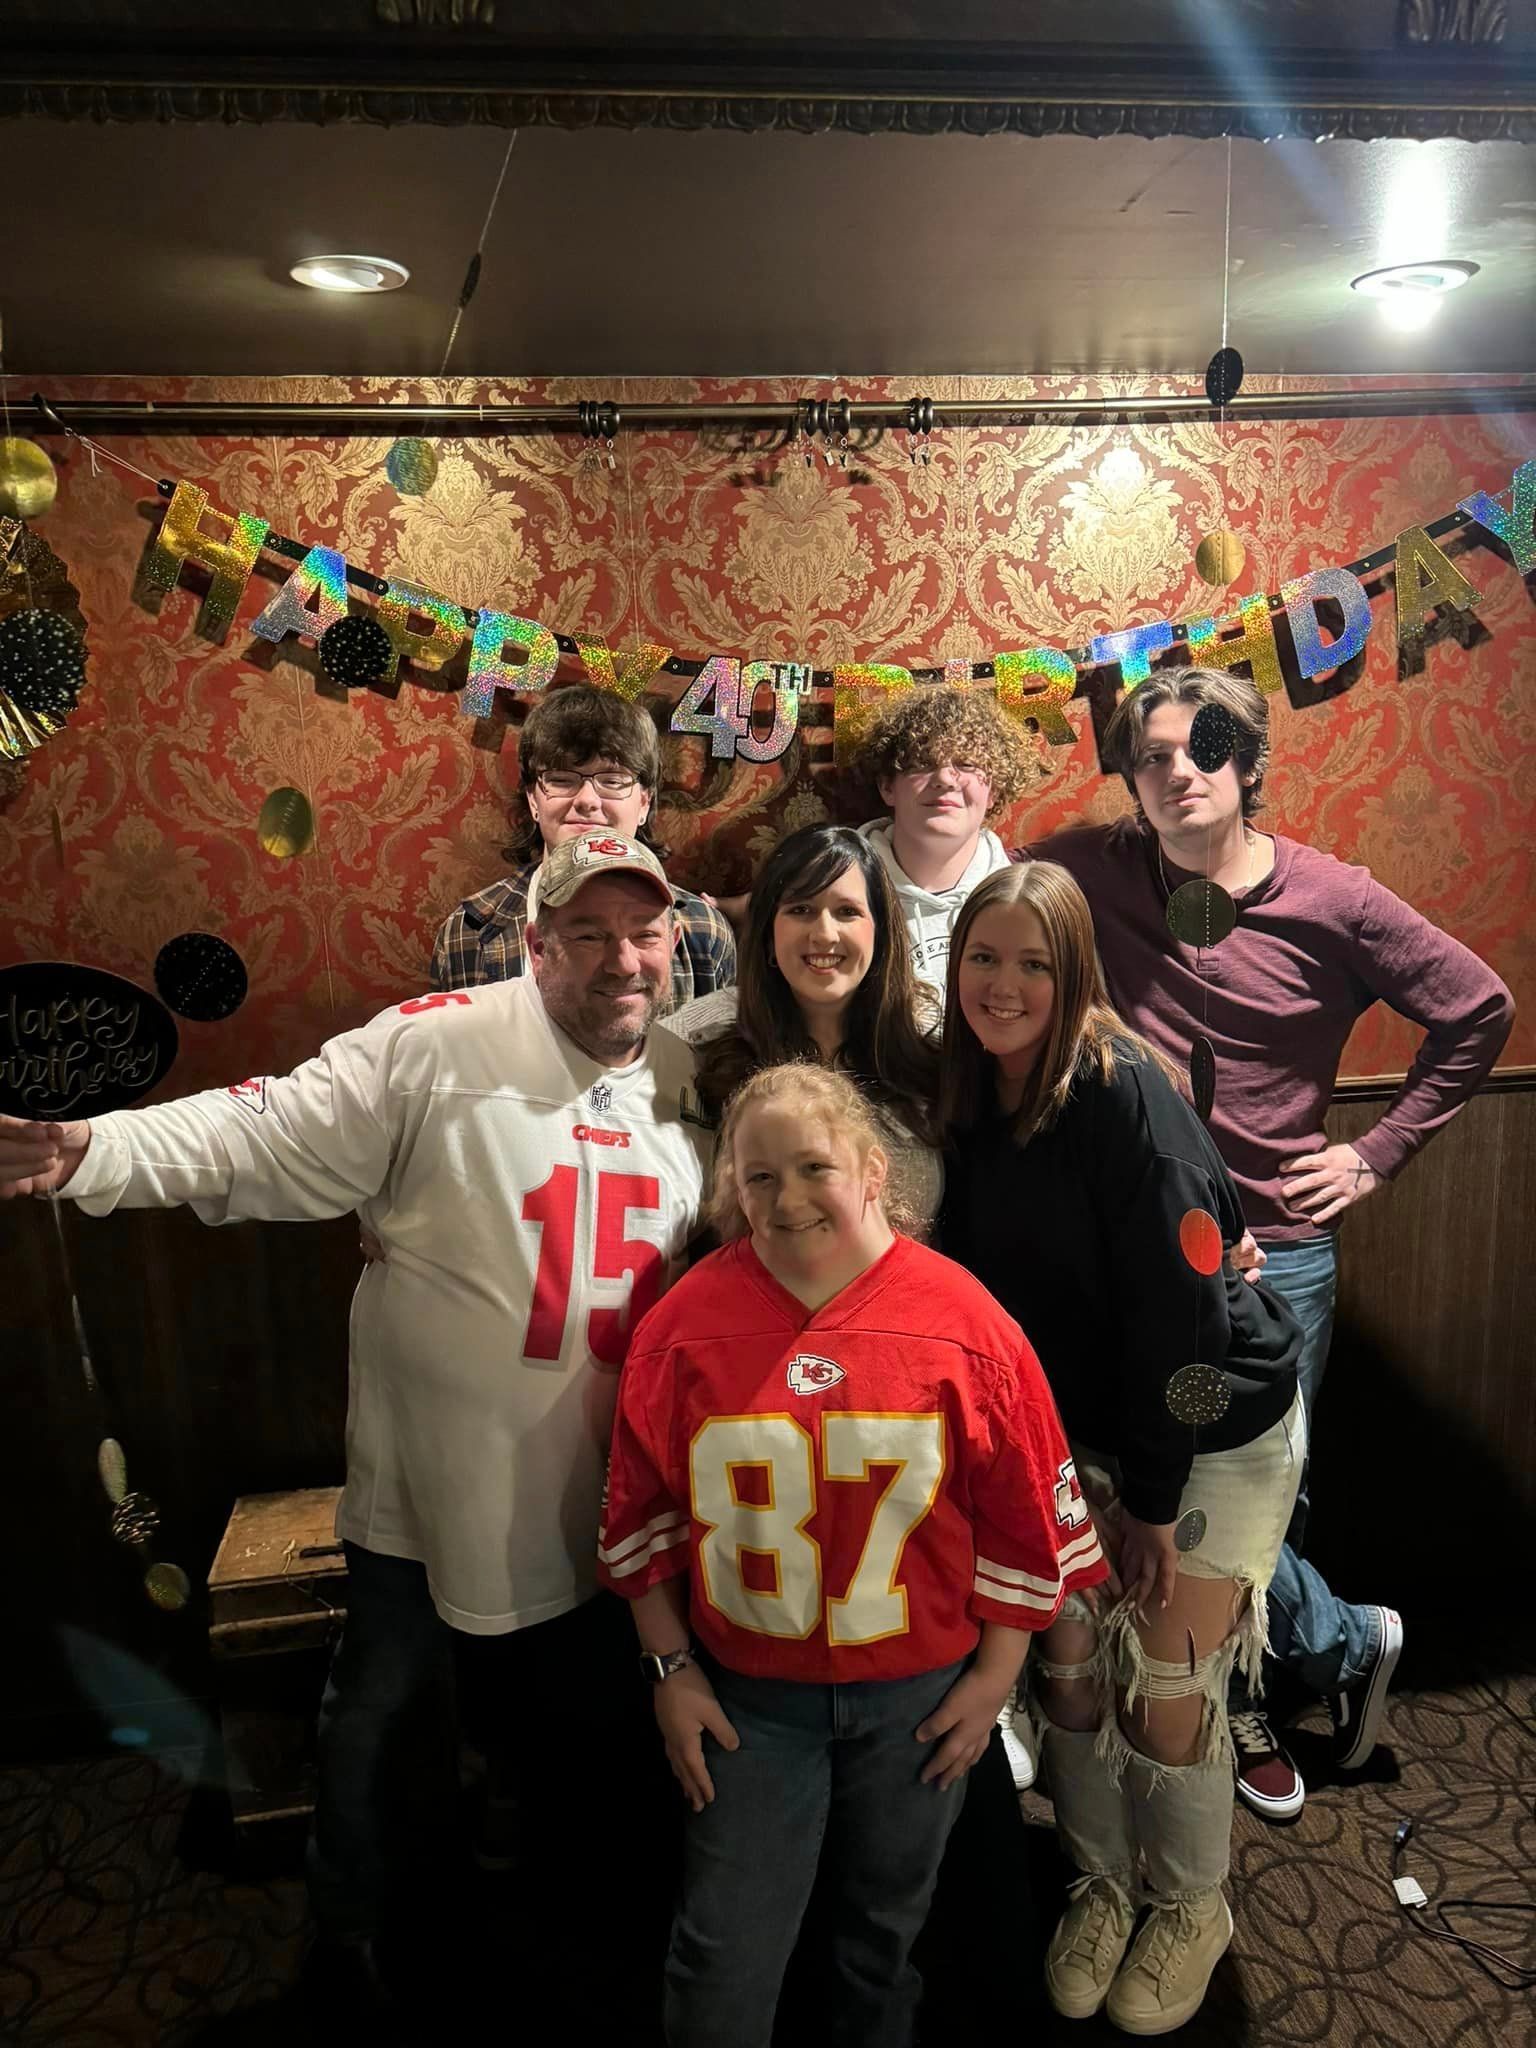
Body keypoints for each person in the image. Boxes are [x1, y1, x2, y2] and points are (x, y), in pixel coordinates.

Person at [0, 831, 713, 2019]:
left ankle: (566, 1951)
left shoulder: (695, 1074)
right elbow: (264, 1127)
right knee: (384, 1735)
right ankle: (358, 1951)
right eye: (587, 934)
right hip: (431, 1497)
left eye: (644, 934)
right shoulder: (435, 1043)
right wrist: (92, 1148)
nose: (622, 961)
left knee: (580, 1755)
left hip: (609, 1501)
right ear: (535, 947)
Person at [1031, 665, 1514, 1820]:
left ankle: (1251, 1694)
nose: (1177, 771)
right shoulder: (1089, 870)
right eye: (1152, 755)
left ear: (1247, 764)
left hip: (1274, 1254)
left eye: (1204, 748)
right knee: (1141, 1482)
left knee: (1247, 1499)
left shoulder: (1334, 896)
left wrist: (1376, 1151)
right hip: (1136, 1249)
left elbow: (1478, 1007)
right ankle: (1337, 1643)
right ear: (1130, 776)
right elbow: (981, 918)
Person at [598, 1061, 1107, 2048]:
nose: (786, 1198)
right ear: (729, 1188)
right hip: (750, 1698)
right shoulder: (684, 1324)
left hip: (916, 1697)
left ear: (876, 1169)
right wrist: (670, 1667)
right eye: (759, 1176)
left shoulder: (967, 1323)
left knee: (886, 1935)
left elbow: (1024, 1521)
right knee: (723, 1950)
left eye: (813, 1165)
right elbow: (642, 1517)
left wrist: (998, 1671)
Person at [938, 862, 1304, 2033]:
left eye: (1033, 963)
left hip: (1206, 1426)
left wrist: (1149, 1499)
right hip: (1078, 1427)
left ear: (1075, 972)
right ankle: (1103, 1883)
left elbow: (1187, 1319)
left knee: (1167, 1684)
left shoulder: (1119, 1092)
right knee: (1075, 1671)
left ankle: (1192, 1903)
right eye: (982, 957)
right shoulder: (972, 1090)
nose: (1003, 984)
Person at [664, 822, 945, 1240]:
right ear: (769, 929)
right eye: (801, 910)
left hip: (902, 1295)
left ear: (880, 930)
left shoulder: (930, 1045)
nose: (825, 933)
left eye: (847, 911)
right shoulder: (698, 1037)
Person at [431, 680, 736, 1011]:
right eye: (562, 780)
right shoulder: (468, 932)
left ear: (645, 802)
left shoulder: (704, 932)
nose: (588, 800)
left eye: (613, 781)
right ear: (533, 799)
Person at [851, 685, 1036, 1006]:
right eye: (922, 762)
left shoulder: (1029, 903)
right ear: (887, 786)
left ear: (993, 789)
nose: (946, 779)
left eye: (966, 764)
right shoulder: (840, 889)